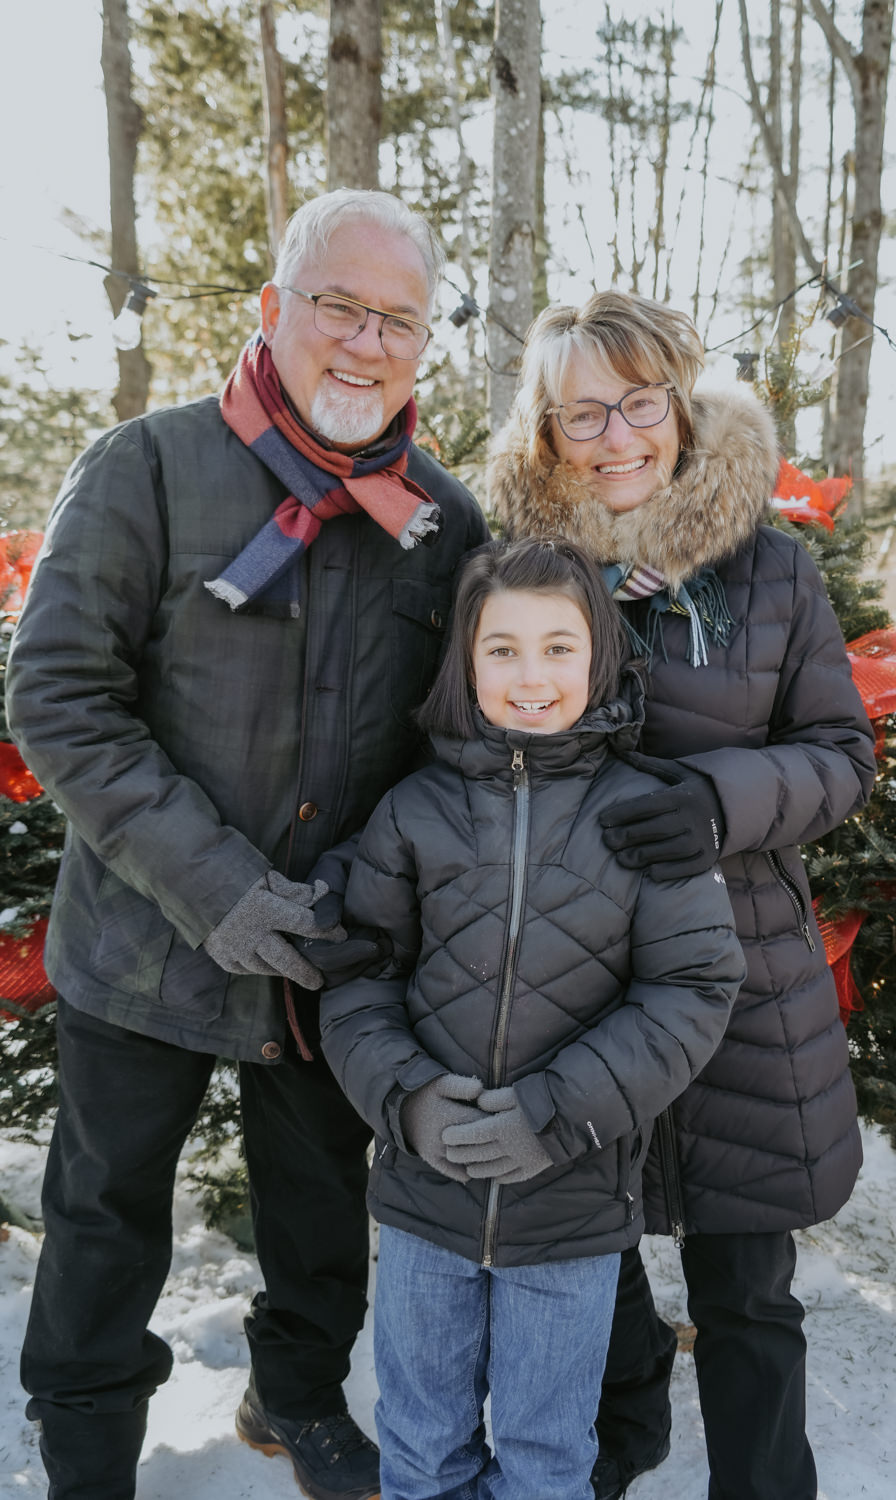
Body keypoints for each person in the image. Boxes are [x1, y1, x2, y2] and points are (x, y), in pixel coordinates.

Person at [5, 187, 489, 1500]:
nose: (368, 343)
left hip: (333, 949)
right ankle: (88, 1449)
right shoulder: (147, 467)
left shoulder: (441, 522)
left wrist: (369, 897)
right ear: (274, 308)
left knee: (321, 1202)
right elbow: (60, 695)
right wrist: (214, 883)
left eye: (400, 320)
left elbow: (458, 736)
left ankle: (299, 1396)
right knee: (104, 1214)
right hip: (142, 938)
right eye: (340, 306)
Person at [488, 292, 878, 1500]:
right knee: (581, 1258)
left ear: (680, 402)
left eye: (638, 403)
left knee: (747, 1288)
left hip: (739, 970)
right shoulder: (515, 574)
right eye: (582, 414)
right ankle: (620, 1431)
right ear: (546, 433)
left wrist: (719, 800)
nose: (616, 438)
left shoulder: (771, 568)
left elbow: (840, 754)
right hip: (565, 974)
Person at [315, 537, 747, 1500]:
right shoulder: (412, 812)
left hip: (571, 1207)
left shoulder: (643, 815)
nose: (532, 676)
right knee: (420, 1448)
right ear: (465, 664)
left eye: (559, 647)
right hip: (425, 1203)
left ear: (601, 656)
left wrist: (556, 1112)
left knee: (546, 1455)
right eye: (502, 649)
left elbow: (693, 987)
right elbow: (360, 977)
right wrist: (407, 1100)